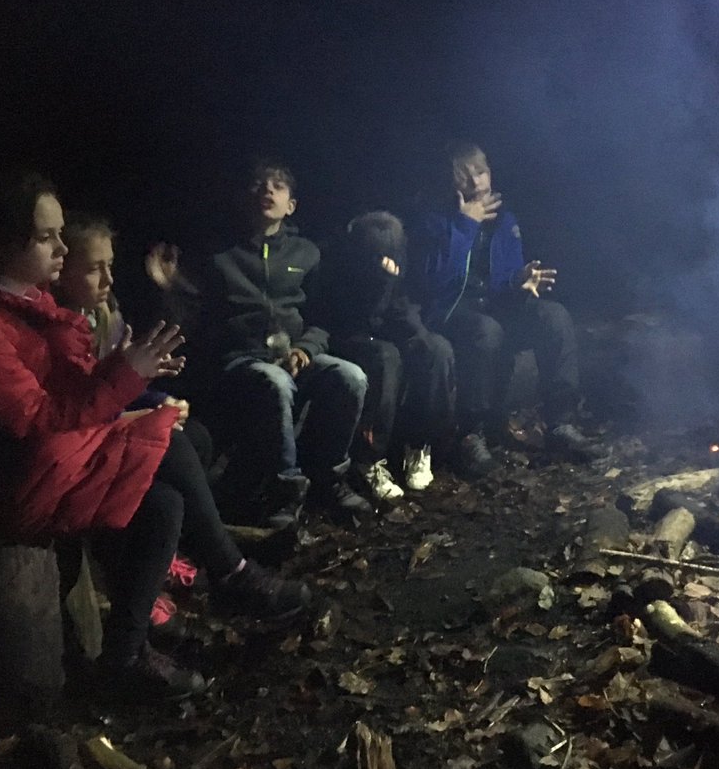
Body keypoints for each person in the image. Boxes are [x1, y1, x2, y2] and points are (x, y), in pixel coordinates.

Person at [0, 171, 205, 701]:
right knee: (164, 448)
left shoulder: (29, 308)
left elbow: (73, 396)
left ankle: (129, 648)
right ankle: (220, 582)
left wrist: (130, 372)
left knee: (163, 499)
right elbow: (39, 419)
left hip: (43, 465)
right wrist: (129, 380)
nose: (61, 246)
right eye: (44, 236)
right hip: (3, 487)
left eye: (60, 234)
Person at [54, 212, 311, 637]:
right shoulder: (63, 326)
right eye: (94, 268)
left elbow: (118, 384)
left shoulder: (104, 315)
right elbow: (80, 407)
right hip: (76, 453)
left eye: (110, 266)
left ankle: (190, 553)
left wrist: (159, 400)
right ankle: (229, 569)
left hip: (100, 433)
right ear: (63, 272)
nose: (107, 279)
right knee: (173, 448)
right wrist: (144, 413)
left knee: (196, 439)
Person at [145, 161, 372, 526]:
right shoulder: (218, 256)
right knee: (275, 382)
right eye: (258, 185)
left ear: (291, 205)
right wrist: (170, 289)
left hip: (297, 355)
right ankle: (286, 490)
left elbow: (322, 317)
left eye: (278, 186)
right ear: (243, 200)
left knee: (351, 376)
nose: (267, 190)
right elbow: (194, 317)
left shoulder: (307, 253)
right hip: (243, 360)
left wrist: (307, 349)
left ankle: (330, 478)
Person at [408, 142, 605, 477]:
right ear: (453, 184)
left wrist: (520, 281)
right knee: (487, 331)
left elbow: (504, 282)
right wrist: (464, 224)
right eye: (465, 176)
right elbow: (433, 282)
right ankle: (472, 434)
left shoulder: (504, 221)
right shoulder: (434, 222)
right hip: (451, 313)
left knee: (554, 316)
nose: (476, 182)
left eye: (481, 172)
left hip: (497, 307)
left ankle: (560, 424)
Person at [311, 211, 455, 499]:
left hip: (388, 329)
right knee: (386, 358)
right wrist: (381, 281)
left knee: (436, 349)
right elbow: (353, 316)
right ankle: (369, 459)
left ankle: (419, 445)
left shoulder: (402, 261)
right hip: (349, 334)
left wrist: (418, 335)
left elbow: (404, 309)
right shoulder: (340, 262)